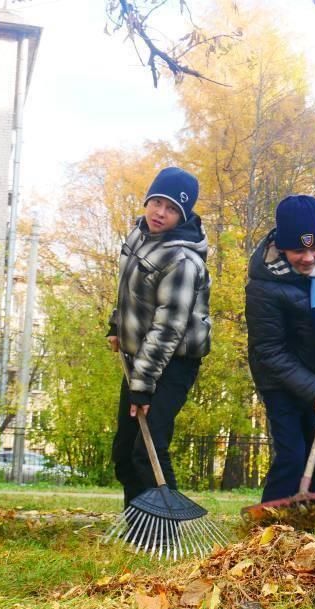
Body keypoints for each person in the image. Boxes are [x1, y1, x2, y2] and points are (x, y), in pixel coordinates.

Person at [108, 166, 210, 509]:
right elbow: (128, 291)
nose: (159, 213)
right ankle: (137, 524)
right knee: (124, 449)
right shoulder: (139, 235)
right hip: (141, 359)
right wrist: (116, 325)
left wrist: (143, 385)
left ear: (182, 216)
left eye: (170, 209)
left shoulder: (182, 259)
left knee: (147, 449)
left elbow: (169, 328)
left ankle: (166, 529)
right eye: (156, 202)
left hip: (175, 361)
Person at [246, 195, 315, 502]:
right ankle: (270, 523)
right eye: (298, 250)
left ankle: (307, 524)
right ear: (281, 247)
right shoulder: (263, 285)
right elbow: (268, 350)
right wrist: (314, 390)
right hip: (278, 379)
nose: (308, 257)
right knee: (292, 455)